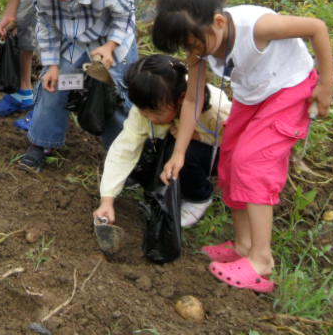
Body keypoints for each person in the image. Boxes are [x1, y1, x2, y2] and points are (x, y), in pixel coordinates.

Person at [151, 0, 333, 293]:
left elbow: (317, 28)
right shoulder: (200, 47)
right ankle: (244, 245)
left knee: (253, 162)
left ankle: (262, 260)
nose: (193, 51)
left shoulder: (258, 27)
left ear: (218, 22)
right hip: (254, 96)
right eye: (186, 47)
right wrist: (178, 153)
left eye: (195, 43)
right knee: (230, 160)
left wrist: (326, 85)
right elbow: (192, 100)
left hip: (289, 89)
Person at [16, 0, 137, 171]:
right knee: (56, 84)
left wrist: (111, 46)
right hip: (73, 42)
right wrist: (52, 66)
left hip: (111, 39)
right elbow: (47, 25)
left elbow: (124, 16)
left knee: (117, 94)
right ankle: (42, 142)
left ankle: (123, 158)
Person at [93, 55, 231, 235]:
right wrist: (107, 199)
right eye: (143, 111)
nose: (148, 117)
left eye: (155, 112)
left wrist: (199, 137)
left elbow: (237, 140)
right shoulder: (148, 107)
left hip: (217, 153)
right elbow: (124, 149)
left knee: (185, 153)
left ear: (181, 98)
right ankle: (174, 182)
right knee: (144, 152)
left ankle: (198, 197)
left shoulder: (214, 108)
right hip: (177, 149)